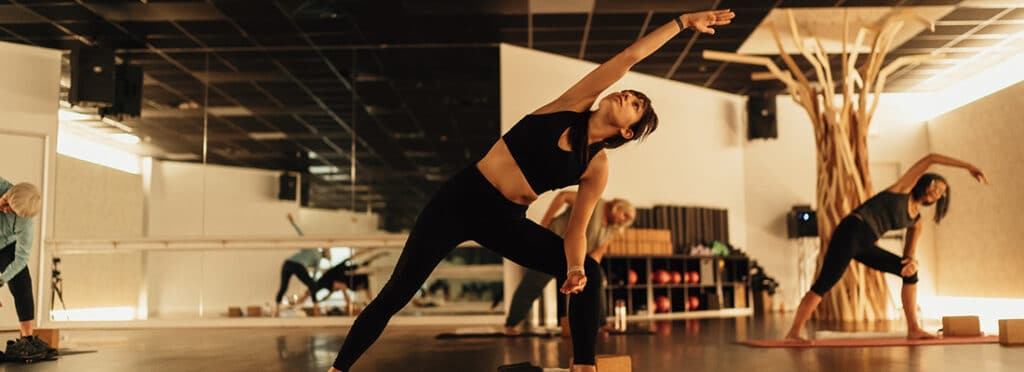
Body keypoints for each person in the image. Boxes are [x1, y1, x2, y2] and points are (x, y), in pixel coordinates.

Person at [327, 9, 735, 372]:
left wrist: (574, 268)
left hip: (505, 220)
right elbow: (630, 57)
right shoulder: (572, 104)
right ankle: (339, 369)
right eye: (629, 93)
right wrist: (682, 22)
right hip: (459, 200)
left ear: (627, 131)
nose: (627, 95)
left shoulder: (596, 165)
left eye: (635, 104)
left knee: (590, 273)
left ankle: (583, 366)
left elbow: (576, 230)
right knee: (397, 292)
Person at [784, 153, 989, 342]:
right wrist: (968, 166)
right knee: (824, 283)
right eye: (936, 186)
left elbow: (908, 255)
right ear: (925, 182)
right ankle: (794, 332)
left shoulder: (917, 222)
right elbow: (931, 158)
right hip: (851, 230)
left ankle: (914, 329)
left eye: (941, 193)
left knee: (910, 274)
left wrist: (910, 263)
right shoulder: (903, 188)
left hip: (866, 242)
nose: (936, 193)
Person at [503, 194, 635, 336]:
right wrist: (545, 223)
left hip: (573, 258)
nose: (623, 221)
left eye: (626, 220)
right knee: (531, 286)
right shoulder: (595, 202)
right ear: (619, 206)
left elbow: (597, 255)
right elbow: (563, 196)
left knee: (597, 278)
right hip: (552, 247)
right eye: (625, 215)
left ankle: (600, 324)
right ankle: (510, 325)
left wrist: (589, 273)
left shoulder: (611, 231)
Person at [0, 177, 56, 361]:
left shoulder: (25, 223)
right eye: (6, 204)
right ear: (9, 192)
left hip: (5, 246)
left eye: (12, 212)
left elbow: (22, 258)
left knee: (22, 281)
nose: (6, 210)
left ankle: (27, 339)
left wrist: (1, 280)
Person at [274, 213, 329, 316]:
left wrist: (292, 222)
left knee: (283, 288)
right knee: (313, 285)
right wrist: (311, 283)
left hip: (287, 263)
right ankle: (316, 309)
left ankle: (276, 310)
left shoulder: (311, 248)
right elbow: (315, 275)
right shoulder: (318, 258)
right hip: (298, 265)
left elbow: (301, 235)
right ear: (324, 255)